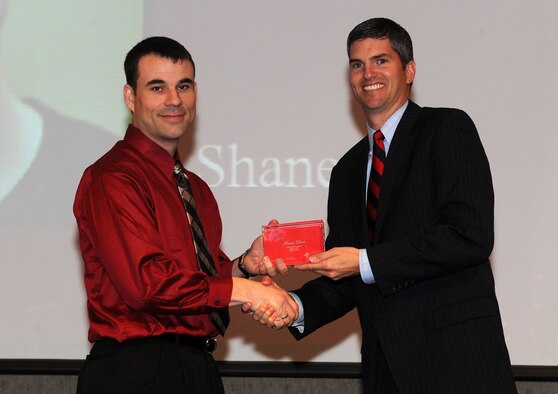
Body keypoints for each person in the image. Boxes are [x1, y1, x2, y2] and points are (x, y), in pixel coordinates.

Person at [251, 17, 517, 393]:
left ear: (409, 70)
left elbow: (469, 236)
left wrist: (363, 261)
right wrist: (294, 306)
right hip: (384, 369)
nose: (367, 73)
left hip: (458, 363)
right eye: (357, 64)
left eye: (381, 60)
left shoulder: (447, 129)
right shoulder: (346, 170)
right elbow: (346, 279)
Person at [73, 36, 297, 394]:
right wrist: (248, 293)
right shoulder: (114, 177)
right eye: (157, 87)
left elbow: (195, 280)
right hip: (136, 372)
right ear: (131, 97)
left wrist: (243, 266)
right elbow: (148, 286)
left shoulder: (197, 188)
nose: (174, 100)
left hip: (197, 367)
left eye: (184, 86)